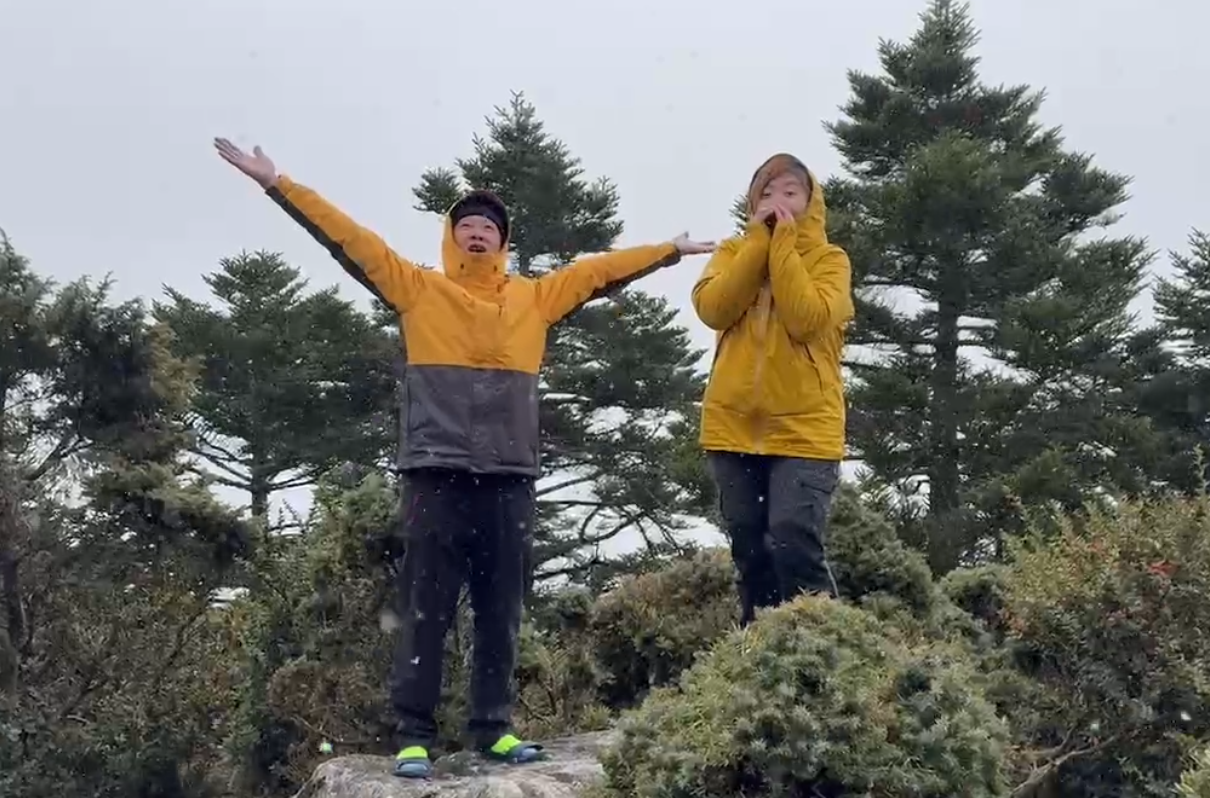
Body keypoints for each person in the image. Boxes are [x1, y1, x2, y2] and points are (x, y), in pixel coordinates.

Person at [212, 137, 715, 778]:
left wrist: (668, 251)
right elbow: (351, 239)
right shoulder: (418, 290)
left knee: (502, 606)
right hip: (434, 471)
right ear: (452, 237)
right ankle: (413, 736)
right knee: (427, 605)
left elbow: (596, 271)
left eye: (489, 228)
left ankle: (493, 730)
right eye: (467, 226)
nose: (478, 234)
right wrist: (278, 183)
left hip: (509, 476)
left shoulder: (534, 298)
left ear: (503, 242)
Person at [691, 152, 854, 627]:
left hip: (806, 428)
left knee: (792, 538)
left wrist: (782, 243)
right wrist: (757, 245)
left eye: (790, 192)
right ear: (751, 203)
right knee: (750, 549)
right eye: (767, 192)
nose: (777, 200)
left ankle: (827, 649)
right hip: (733, 426)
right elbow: (715, 308)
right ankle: (757, 663)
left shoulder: (830, 260)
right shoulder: (731, 253)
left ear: (811, 203)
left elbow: (807, 318)